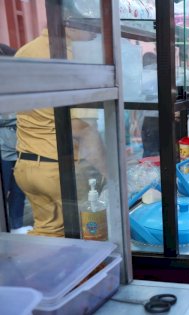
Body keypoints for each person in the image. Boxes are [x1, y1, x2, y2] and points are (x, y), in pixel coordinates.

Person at [14, 27, 107, 237]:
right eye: (90, 26)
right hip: (60, 170)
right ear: (70, 23)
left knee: (49, 233)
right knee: (88, 233)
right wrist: (110, 175)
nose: (96, 32)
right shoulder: (71, 58)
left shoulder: (25, 51)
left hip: (26, 165)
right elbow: (82, 130)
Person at [0, 43, 28, 233]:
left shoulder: (18, 85)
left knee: (19, 192)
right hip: (3, 149)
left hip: (21, 147)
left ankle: (16, 227)